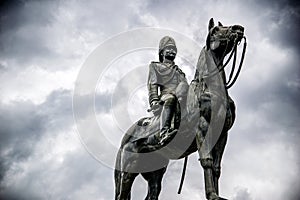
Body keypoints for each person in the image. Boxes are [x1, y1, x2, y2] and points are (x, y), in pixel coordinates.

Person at [147, 36, 189, 145]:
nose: (172, 51)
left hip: (181, 96)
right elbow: (153, 83)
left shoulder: (179, 70)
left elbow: (185, 85)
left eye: (174, 50)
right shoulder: (155, 66)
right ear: (162, 52)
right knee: (171, 99)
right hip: (166, 96)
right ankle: (164, 132)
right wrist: (154, 100)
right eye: (168, 49)